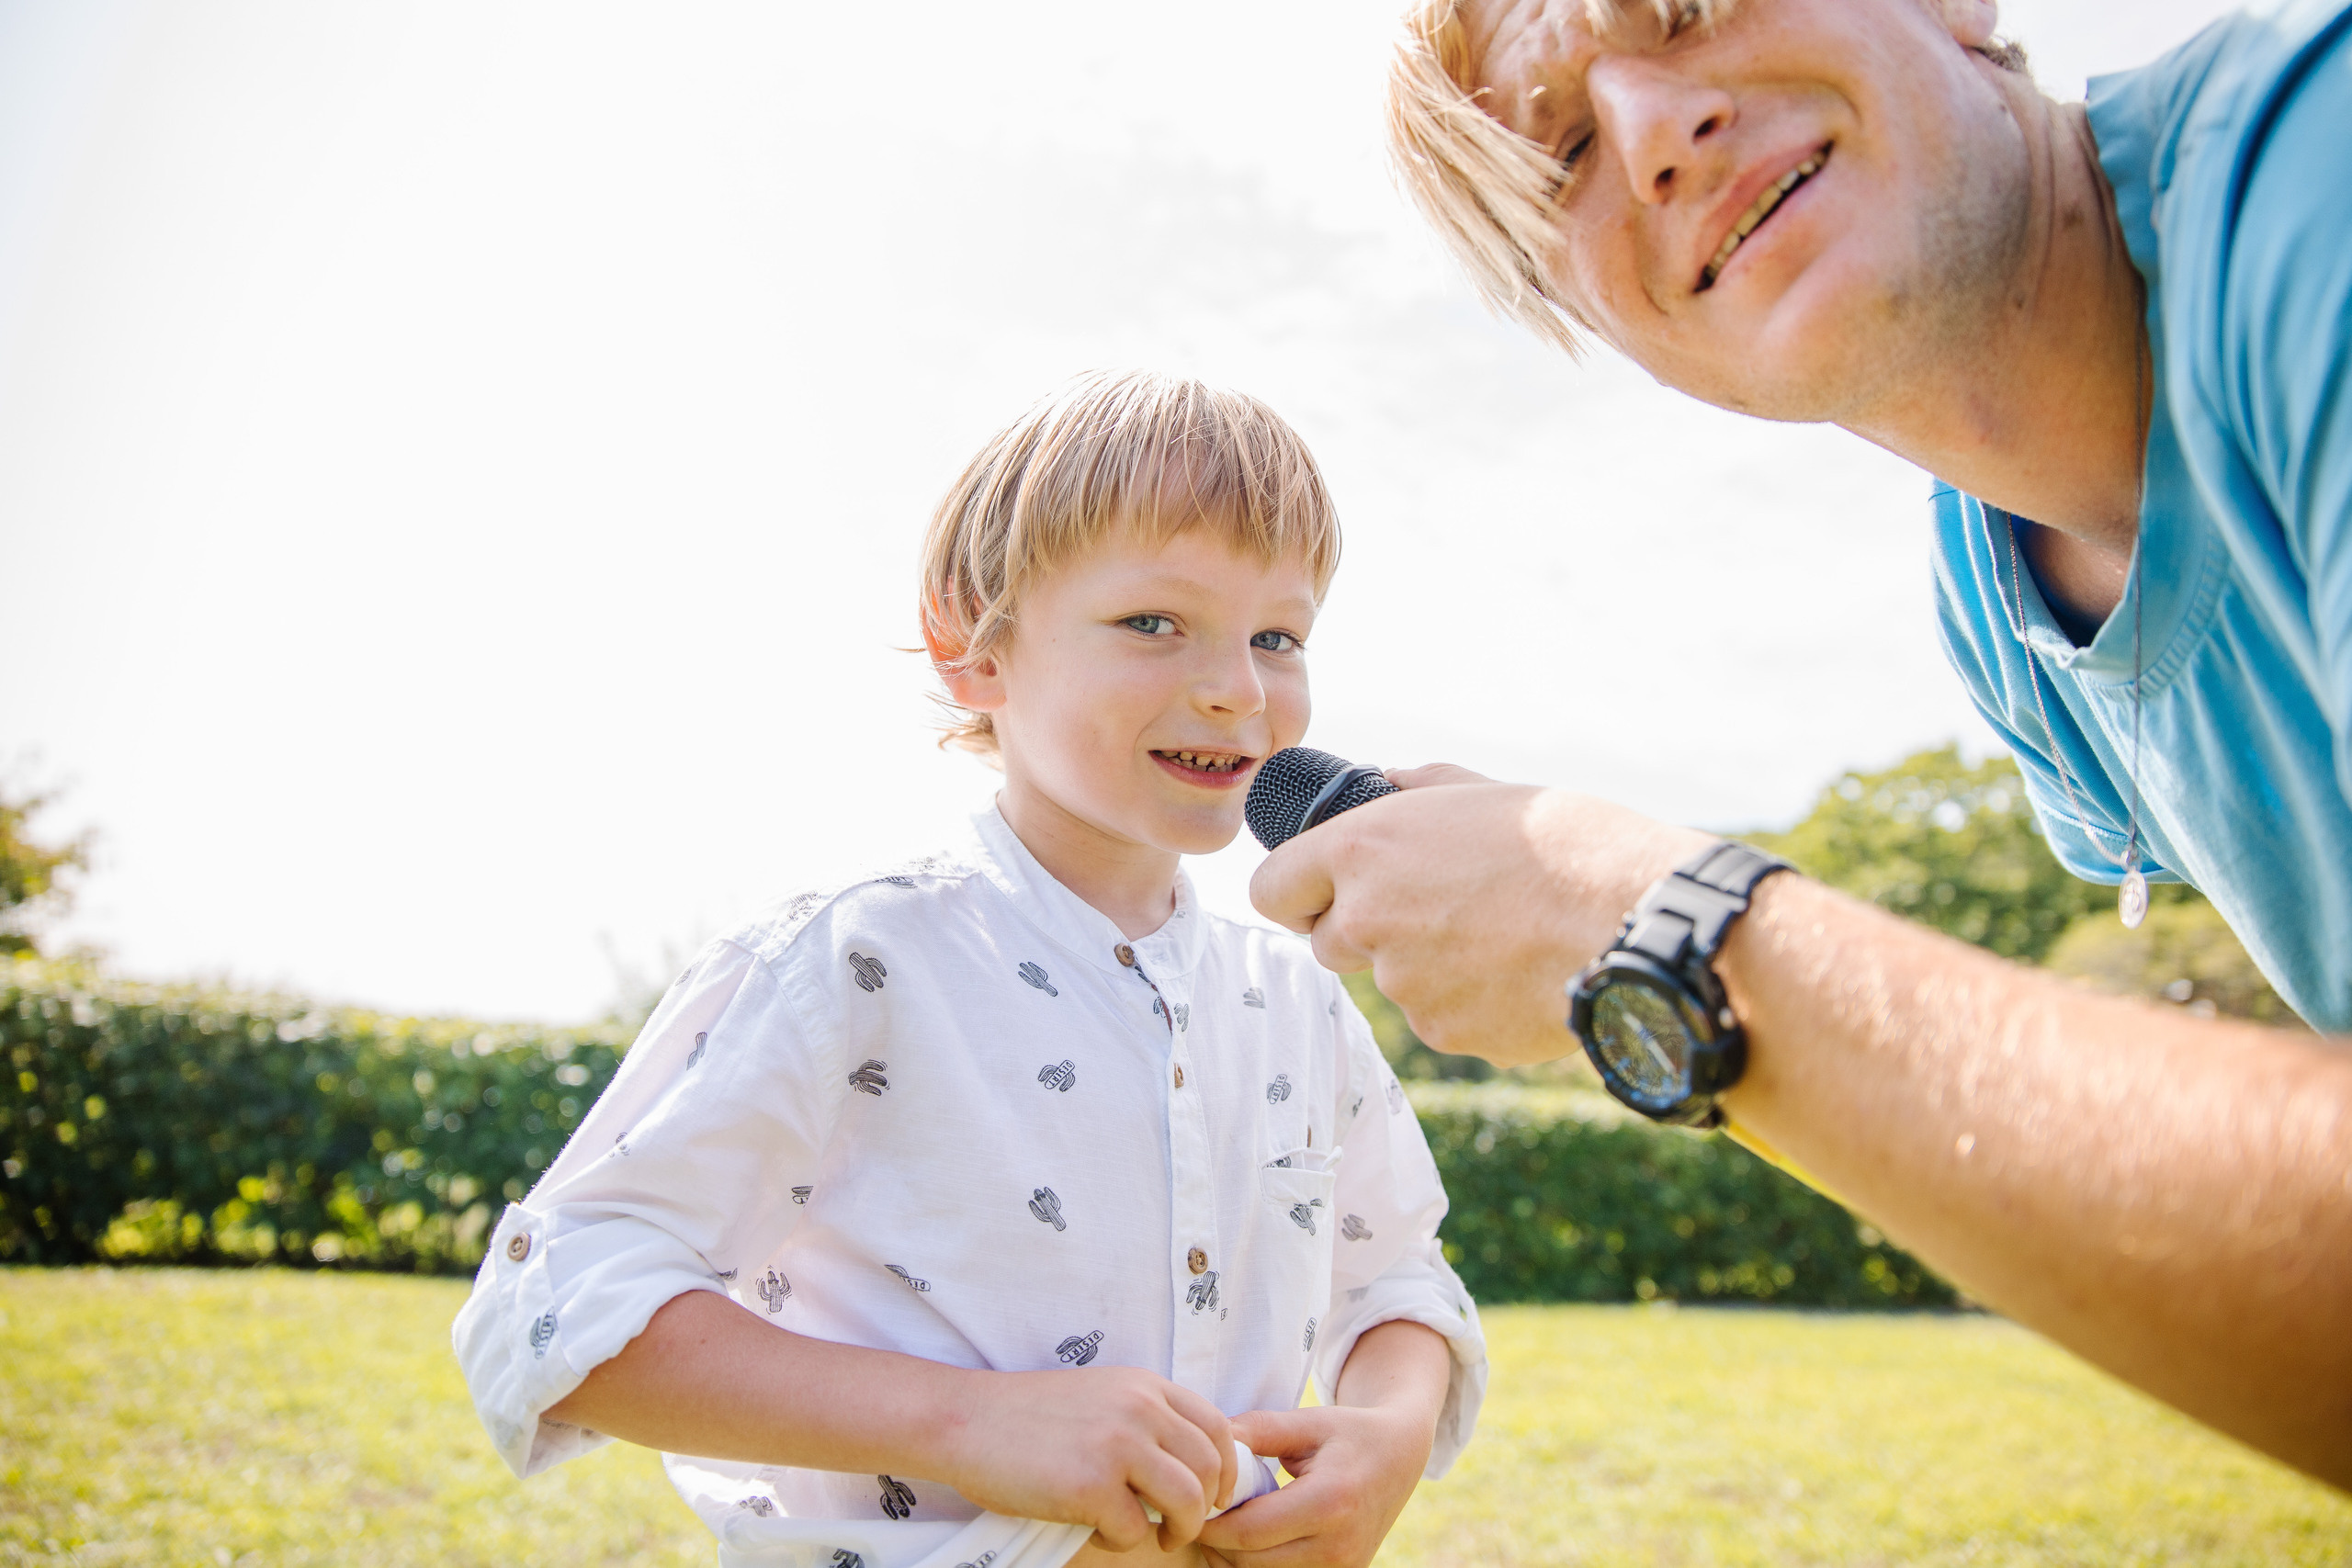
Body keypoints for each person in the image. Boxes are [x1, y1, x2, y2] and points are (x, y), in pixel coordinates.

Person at [1245, 0, 2352, 1487]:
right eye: (1562, 149)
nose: (1651, 136)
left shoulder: (2318, 176)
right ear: (1591, 320)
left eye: (1691, 9)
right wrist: (1641, 992)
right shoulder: (1992, 591)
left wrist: (1641, 929)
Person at [451, 369, 1487, 1568]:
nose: (1237, 688)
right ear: (971, 648)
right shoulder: (849, 961)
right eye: (1155, 622)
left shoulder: (1298, 1001)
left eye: (1278, 636)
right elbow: (558, 1306)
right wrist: (968, 1424)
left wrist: (1387, 1435)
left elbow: (1398, 1276)